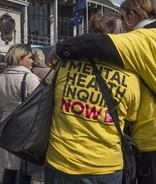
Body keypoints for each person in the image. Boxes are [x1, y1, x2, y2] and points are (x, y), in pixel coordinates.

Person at [49, 0, 156, 184]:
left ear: (131, 16)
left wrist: (58, 50)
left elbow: (94, 42)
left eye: (123, 18)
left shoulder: (139, 39)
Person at [45, 13, 141, 184]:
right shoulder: (130, 78)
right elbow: (129, 119)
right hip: (106, 166)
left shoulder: (64, 65)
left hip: (62, 160)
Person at [0, 44, 40, 184]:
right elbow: (39, 107)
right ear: (20, 58)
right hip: (25, 128)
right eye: (29, 58)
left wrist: (4, 119)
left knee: (9, 168)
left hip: (5, 126)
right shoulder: (31, 79)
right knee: (23, 169)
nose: (32, 61)